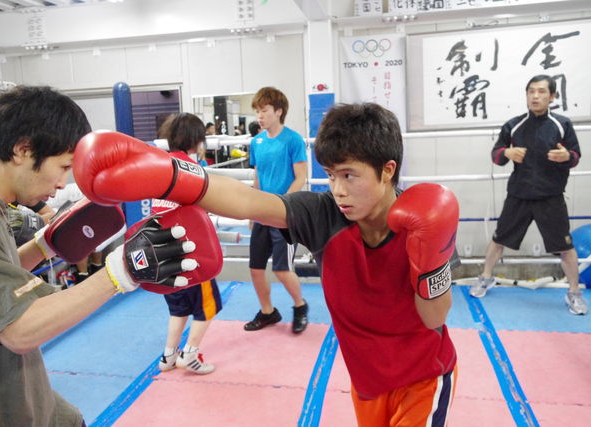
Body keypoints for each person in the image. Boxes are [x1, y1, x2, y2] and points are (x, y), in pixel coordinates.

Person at [73, 102, 460, 425]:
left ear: (387, 170)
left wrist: (427, 258)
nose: (338, 190)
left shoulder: (428, 222)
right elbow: (248, 202)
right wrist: (169, 174)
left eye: (349, 175)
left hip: (423, 376)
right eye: (331, 175)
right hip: (368, 382)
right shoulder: (324, 214)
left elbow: (434, 318)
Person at [0, 86, 204, 426]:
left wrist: (45, 246)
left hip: (33, 399)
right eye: (63, 166)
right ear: (23, 149)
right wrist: (121, 271)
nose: (62, 183)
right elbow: (19, 330)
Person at [469, 75, 587, 315]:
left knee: (565, 247)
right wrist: (507, 153)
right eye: (531, 91)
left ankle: (574, 292)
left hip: (551, 196)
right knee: (499, 239)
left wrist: (567, 157)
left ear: (552, 96)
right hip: (519, 194)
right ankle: (486, 277)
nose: (535, 96)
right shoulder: (514, 125)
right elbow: (496, 155)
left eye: (541, 91)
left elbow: (575, 156)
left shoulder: (562, 124)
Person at [154, 113, 222, 374]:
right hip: (188, 253)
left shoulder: (159, 166)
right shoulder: (191, 170)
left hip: (162, 253)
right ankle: (190, 354)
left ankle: (168, 357)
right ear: (196, 139)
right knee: (209, 305)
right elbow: (202, 208)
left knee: (178, 307)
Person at [245, 86, 309, 334]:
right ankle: (267, 312)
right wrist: (252, 210)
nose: (260, 116)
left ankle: (300, 306)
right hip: (262, 212)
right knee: (255, 268)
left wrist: (283, 203)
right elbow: (258, 177)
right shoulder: (257, 142)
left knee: (282, 269)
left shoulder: (293, 140)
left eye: (265, 110)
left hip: (283, 215)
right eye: (257, 111)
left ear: (279, 111)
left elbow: (301, 177)